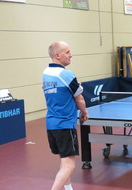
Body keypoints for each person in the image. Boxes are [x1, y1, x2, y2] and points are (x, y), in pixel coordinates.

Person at [42, 41, 88, 190]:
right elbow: (79, 98)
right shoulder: (66, 74)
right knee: (69, 165)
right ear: (57, 55)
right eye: (67, 52)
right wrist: (84, 112)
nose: (71, 55)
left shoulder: (46, 73)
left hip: (51, 124)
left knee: (64, 161)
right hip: (65, 124)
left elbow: (61, 91)